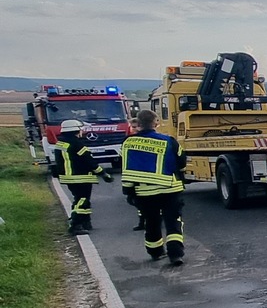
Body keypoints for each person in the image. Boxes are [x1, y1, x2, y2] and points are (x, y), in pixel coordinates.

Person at [121, 109, 187, 265]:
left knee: (151, 221)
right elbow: (182, 161)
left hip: (144, 191)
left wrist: (128, 191)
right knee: (173, 220)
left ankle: (156, 252)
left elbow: (127, 167)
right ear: (156, 122)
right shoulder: (169, 141)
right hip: (170, 188)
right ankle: (175, 252)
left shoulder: (128, 143)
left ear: (139, 124)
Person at [54, 119, 113, 234]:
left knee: (79, 199)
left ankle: (85, 222)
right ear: (76, 130)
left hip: (67, 177)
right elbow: (89, 161)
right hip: (80, 177)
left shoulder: (60, 143)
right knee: (83, 200)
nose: (82, 132)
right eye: (80, 129)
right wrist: (103, 173)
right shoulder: (77, 144)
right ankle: (75, 224)